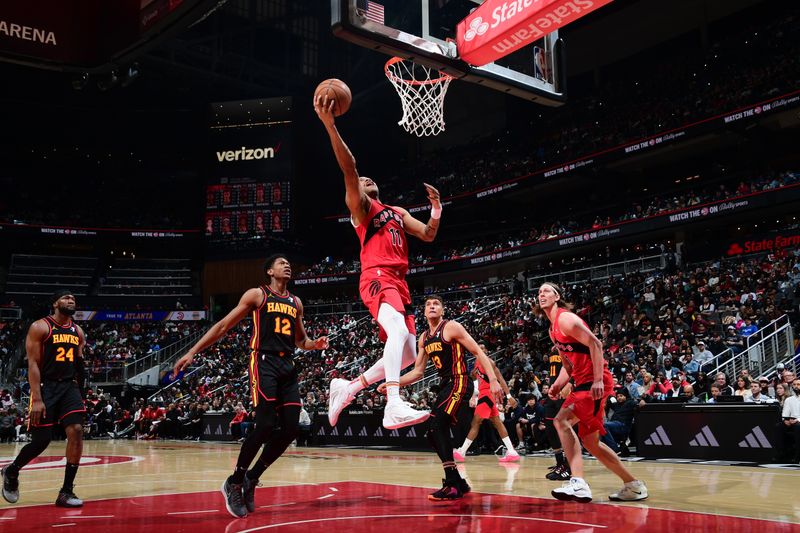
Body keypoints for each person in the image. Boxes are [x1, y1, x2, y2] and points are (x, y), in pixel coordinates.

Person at [316, 94, 444, 430]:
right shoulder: (361, 209)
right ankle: (393, 404)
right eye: (361, 181)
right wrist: (330, 126)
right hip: (376, 276)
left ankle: (349, 387)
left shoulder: (397, 213)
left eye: (370, 180)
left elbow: (429, 235)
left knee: (406, 355)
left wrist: (436, 208)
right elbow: (349, 167)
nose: (366, 179)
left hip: (400, 283)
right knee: (398, 332)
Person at [172, 254, 329, 519]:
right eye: (281, 263)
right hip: (263, 361)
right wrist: (192, 352)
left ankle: (251, 478)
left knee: (292, 428)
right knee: (265, 424)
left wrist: (315, 344)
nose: (287, 265)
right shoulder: (258, 295)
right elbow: (223, 326)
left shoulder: (296, 302)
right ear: (269, 271)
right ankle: (234, 481)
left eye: (289, 263)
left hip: (287, 365)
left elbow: (301, 340)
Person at [381, 295, 502, 501]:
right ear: (425, 311)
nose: (432, 307)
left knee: (437, 426)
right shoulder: (424, 338)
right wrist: (394, 382)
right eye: (428, 304)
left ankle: (453, 483)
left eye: (436, 304)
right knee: (432, 431)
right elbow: (418, 372)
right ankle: (457, 481)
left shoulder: (451, 327)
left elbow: (478, 352)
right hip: (445, 385)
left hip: (459, 380)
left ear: (443, 310)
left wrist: (493, 380)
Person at [537, 282, 648, 503]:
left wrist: (598, 379)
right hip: (582, 382)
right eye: (539, 292)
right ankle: (633, 485)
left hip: (595, 381)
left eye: (546, 290)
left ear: (557, 296)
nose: (542, 294)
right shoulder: (552, 330)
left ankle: (578, 483)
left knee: (560, 421)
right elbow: (568, 366)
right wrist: (557, 385)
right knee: (590, 442)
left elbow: (596, 344)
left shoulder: (565, 319)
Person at [2, 291, 87, 508]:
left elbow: (79, 364)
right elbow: (33, 365)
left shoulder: (78, 331)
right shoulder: (41, 327)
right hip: (46, 386)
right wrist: (37, 399)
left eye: (74, 299)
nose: (71, 300)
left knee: (76, 430)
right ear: (55, 303)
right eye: (66, 298)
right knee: (41, 441)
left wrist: (82, 391)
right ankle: (12, 472)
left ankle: (66, 492)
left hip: (69, 386)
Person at [454, 343, 519, 463]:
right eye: (479, 347)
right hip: (483, 394)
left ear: (487, 351)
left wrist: (509, 397)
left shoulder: (489, 362)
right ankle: (511, 451)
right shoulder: (476, 362)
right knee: (497, 422)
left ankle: (461, 452)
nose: (481, 349)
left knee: (476, 422)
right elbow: (476, 376)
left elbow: (501, 379)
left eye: (483, 348)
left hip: (487, 394)